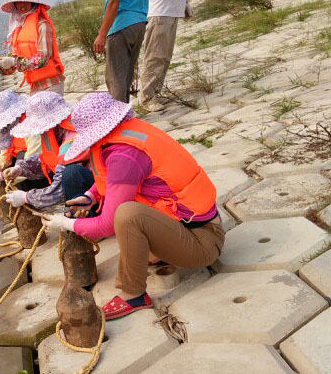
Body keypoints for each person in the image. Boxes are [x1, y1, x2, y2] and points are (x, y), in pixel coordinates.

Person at [39, 92, 224, 320]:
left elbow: (106, 226)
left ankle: (133, 294)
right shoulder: (125, 133)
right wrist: (90, 196)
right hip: (185, 227)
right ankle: (156, 255)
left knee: (126, 214)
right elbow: (112, 179)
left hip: (202, 242)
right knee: (126, 212)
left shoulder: (125, 155)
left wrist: (66, 222)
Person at [0, 91, 93, 210]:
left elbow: (59, 190)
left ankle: (83, 218)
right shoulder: (55, 131)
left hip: (94, 187)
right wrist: (20, 169)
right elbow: (44, 159)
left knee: (71, 173)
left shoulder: (72, 139)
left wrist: (27, 197)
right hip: (76, 179)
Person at [0, 0, 65, 95]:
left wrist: (13, 62)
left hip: (51, 86)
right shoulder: (19, 28)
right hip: (35, 86)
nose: (21, 5)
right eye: (18, 2)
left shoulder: (43, 26)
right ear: (15, 5)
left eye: (25, 2)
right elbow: (14, 62)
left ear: (34, 4)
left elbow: (43, 58)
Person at [0, 90, 40, 186]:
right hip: (21, 162)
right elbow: (5, 156)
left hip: (38, 166)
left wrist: (0, 176)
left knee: (20, 159)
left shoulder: (31, 123)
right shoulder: (8, 128)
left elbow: (34, 157)